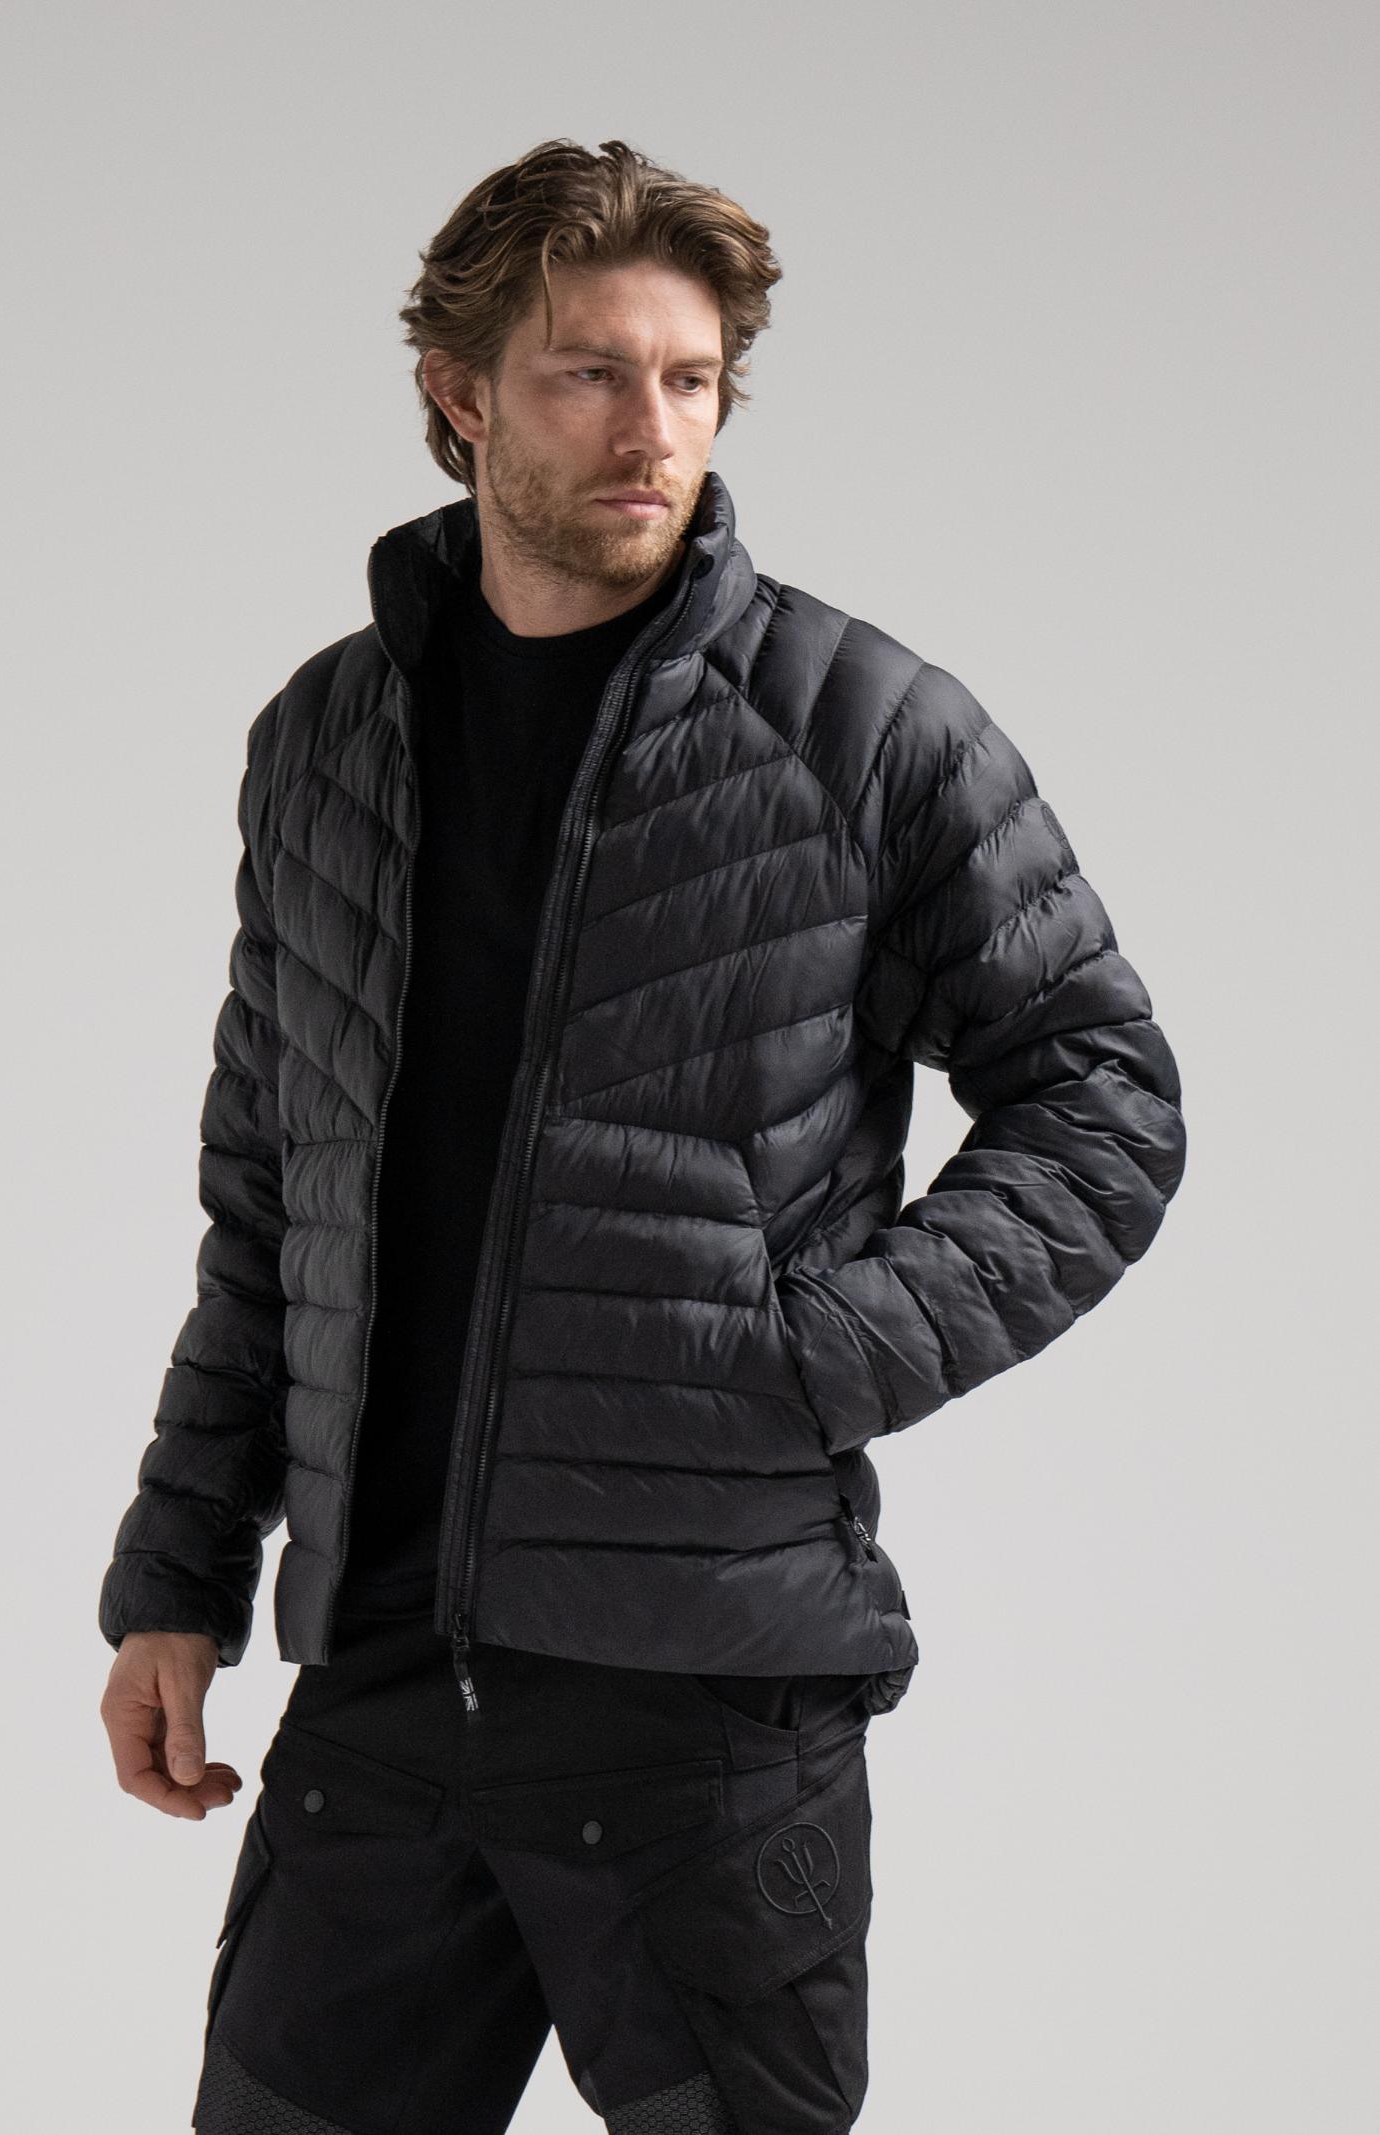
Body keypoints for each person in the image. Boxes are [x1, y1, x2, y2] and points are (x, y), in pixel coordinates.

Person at [97, 137, 1187, 2135]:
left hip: (703, 1715)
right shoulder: (326, 743)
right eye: (591, 373)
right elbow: (269, 1198)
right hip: (380, 1693)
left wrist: (794, 1361)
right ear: (460, 395)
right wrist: (178, 1572)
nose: (650, 428)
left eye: (689, 380)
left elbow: (1101, 1096)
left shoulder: (862, 729)